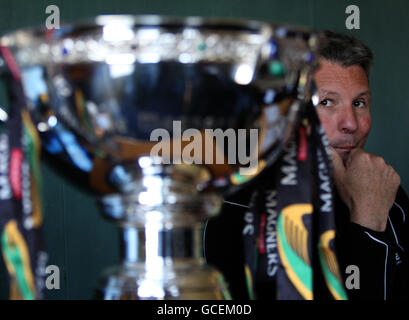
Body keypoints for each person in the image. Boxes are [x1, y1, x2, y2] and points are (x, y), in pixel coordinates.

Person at [314, 30, 409, 300]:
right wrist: (367, 219)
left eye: (359, 103)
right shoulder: (247, 206)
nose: (351, 124)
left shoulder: (384, 187)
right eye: (327, 102)